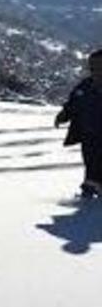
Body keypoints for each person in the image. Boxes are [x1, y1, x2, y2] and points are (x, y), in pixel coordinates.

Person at [55, 48, 102, 199]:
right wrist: (63, 115)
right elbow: (74, 102)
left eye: (99, 66)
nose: (95, 70)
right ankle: (90, 186)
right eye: (92, 66)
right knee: (90, 160)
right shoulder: (86, 86)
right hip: (88, 134)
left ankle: (93, 185)